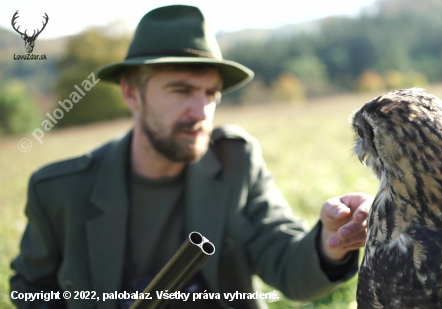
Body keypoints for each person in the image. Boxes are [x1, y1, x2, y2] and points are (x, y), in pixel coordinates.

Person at [10, 5, 372, 309]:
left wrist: (330, 241)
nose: (201, 110)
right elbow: (31, 290)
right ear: (132, 93)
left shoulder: (236, 163)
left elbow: (287, 266)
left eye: (210, 93)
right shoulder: (59, 191)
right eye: (181, 90)